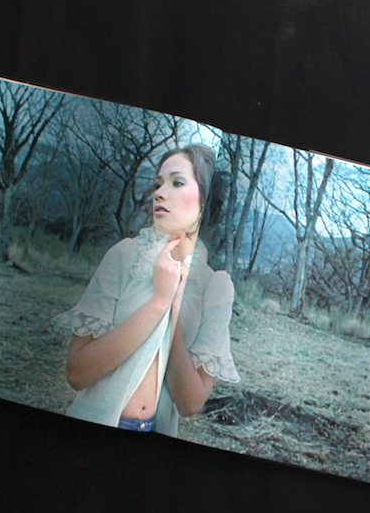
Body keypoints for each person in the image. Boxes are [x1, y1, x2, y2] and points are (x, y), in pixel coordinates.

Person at [52, 144, 239, 436]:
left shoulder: (216, 287)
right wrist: (159, 302)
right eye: (158, 183)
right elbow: (77, 373)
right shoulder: (125, 256)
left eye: (177, 182)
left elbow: (190, 403)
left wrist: (174, 308)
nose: (159, 193)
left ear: (205, 201)